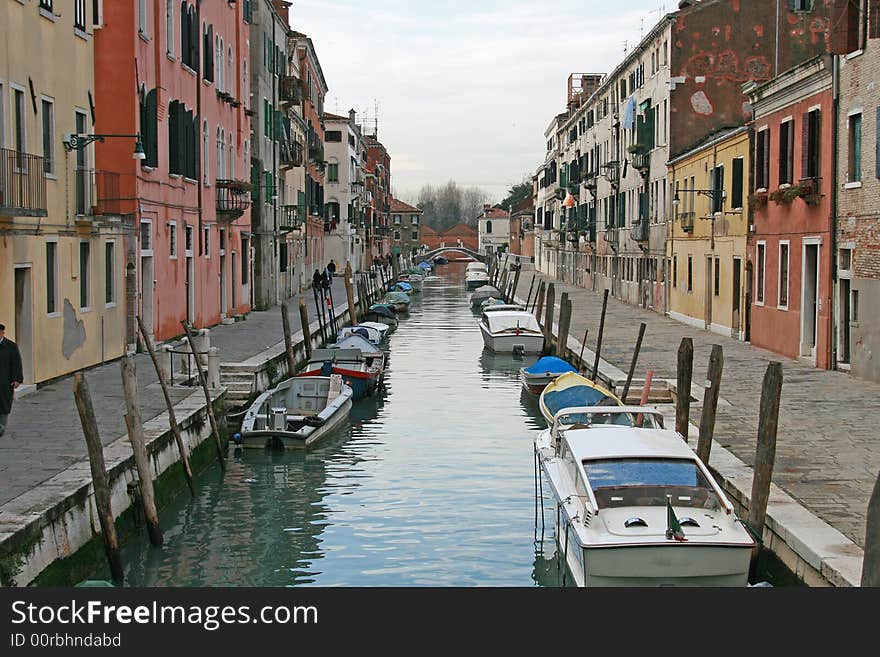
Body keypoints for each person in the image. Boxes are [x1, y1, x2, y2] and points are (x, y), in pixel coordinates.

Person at [0, 324, 24, 437]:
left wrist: (17, 379)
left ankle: (1, 426)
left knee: (4, 404)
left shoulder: (10, 346)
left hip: (5, 381)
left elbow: (16, 364)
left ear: (2, 333)